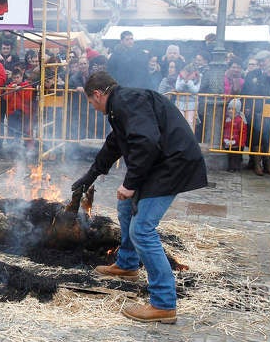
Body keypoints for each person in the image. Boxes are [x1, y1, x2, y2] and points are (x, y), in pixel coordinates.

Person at [71, 72, 207, 324]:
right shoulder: (120, 105)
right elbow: (115, 144)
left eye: (91, 102)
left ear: (98, 95)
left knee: (143, 229)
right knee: (124, 208)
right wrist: (89, 176)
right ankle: (127, 264)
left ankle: (163, 304)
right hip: (161, 162)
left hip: (172, 165)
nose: (92, 107)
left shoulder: (127, 102)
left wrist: (130, 184)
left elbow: (146, 142)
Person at [223, 98, 248, 172]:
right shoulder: (228, 119)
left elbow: (242, 133)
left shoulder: (240, 120)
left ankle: (235, 167)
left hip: (237, 142)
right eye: (229, 109)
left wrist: (239, 142)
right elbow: (225, 130)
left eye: (233, 109)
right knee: (230, 155)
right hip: (229, 140)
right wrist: (225, 139)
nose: (230, 111)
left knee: (236, 156)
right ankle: (231, 167)